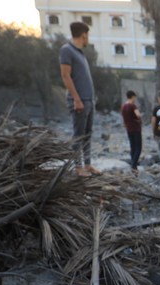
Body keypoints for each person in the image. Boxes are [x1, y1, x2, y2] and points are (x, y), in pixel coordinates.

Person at [60, 21, 97, 177]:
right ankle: (78, 167)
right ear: (83, 35)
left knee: (87, 134)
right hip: (79, 100)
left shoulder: (80, 53)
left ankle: (87, 164)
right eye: (87, 35)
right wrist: (76, 99)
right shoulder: (67, 50)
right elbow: (65, 75)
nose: (88, 38)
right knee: (79, 135)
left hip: (88, 99)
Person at [121, 90, 143, 173]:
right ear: (133, 97)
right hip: (136, 129)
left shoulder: (123, 106)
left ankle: (133, 164)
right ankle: (134, 166)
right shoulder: (132, 106)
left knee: (132, 147)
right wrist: (139, 120)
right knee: (138, 147)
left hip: (128, 128)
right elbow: (138, 115)